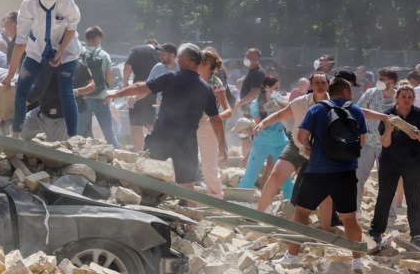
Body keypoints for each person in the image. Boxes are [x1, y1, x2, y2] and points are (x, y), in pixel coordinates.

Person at [105, 44, 228, 191]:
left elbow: (140, 87)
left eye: (179, 58)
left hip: (162, 136)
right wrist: (222, 145)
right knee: (188, 185)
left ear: (187, 60)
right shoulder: (205, 87)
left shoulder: (172, 77)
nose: (177, 60)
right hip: (187, 142)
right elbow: (216, 120)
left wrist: (117, 94)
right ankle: (190, 211)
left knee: (147, 174)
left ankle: (144, 206)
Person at [277, 78, 366, 272]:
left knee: (301, 212)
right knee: (350, 218)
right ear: (344, 92)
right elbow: (361, 142)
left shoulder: (317, 109)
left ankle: (291, 256)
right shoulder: (356, 111)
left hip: (318, 170)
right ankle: (357, 260)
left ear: (330, 90)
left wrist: (313, 150)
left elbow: (301, 137)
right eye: (349, 91)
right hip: (346, 172)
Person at [3, 0, 82, 138]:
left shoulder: (66, 3)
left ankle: (74, 137)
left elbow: (71, 28)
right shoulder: (28, 4)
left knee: (65, 91)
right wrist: (10, 74)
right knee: (22, 88)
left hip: (66, 51)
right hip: (37, 52)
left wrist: (61, 52)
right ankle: (15, 132)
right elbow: (20, 42)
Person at [254, 73, 329, 217]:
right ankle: (258, 215)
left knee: (325, 192)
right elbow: (281, 114)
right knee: (275, 175)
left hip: (320, 152)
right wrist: (263, 123)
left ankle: (327, 229)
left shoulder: (334, 104)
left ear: (327, 85)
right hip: (297, 146)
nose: (320, 85)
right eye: (317, 82)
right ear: (311, 85)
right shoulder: (300, 102)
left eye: (323, 82)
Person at [369, 85, 420, 249]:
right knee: (384, 197)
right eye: (403, 96)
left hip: (413, 162)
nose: (407, 99)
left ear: (413, 99)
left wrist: (416, 134)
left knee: (414, 198)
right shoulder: (389, 115)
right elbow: (385, 143)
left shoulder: (419, 114)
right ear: (397, 97)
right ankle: (376, 232)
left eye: (410, 97)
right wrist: (389, 130)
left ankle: (417, 234)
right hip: (390, 161)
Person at [238, 77, 291, 196]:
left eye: (278, 88)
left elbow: (290, 112)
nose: (278, 91)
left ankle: (291, 204)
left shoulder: (279, 99)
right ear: (267, 88)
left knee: (285, 177)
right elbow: (260, 124)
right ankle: (240, 201)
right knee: (250, 175)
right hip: (261, 144)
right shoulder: (256, 103)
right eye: (275, 88)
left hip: (279, 143)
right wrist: (272, 109)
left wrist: (279, 105)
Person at [355, 67, 397, 214]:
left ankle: (389, 213)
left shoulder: (399, 97)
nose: (378, 81)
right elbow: (357, 111)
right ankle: (355, 210)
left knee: (387, 181)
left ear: (391, 82)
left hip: (388, 146)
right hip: (368, 142)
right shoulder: (371, 94)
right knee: (358, 177)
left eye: (382, 79)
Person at [23, 62, 94, 142]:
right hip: (42, 111)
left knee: (58, 148)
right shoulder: (41, 63)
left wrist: (77, 91)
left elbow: (92, 85)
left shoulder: (77, 65)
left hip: (59, 117)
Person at [196, 47, 233, 199]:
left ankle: (216, 197)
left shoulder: (215, 82)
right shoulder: (192, 78)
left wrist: (213, 118)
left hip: (207, 127)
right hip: (189, 123)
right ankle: (184, 195)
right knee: (182, 158)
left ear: (206, 64)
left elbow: (228, 110)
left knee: (209, 164)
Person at [77, 26, 118, 148]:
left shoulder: (80, 54)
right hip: (102, 98)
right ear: (98, 38)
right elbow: (109, 80)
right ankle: (116, 158)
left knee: (78, 132)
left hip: (83, 98)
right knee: (109, 133)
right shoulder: (104, 55)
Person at [123, 39, 160, 150]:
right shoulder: (160, 53)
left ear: (146, 44)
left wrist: (125, 84)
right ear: (155, 45)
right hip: (153, 92)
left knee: (136, 127)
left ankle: (139, 154)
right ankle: (155, 153)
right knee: (151, 125)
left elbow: (127, 66)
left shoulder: (137, 50)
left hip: (137, 90)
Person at [130, 43, 179, 113]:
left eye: (163, 54)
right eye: (160, 54)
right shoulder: (157, 68)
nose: (160, 57)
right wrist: (134, 98)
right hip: (161, 114)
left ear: (172, 56)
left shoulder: (183, 69)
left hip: (179, 115)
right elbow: (147, 88)